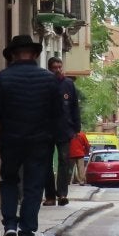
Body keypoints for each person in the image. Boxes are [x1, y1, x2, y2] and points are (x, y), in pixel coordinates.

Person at [0, 34, 65, 236]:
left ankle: (10, 224)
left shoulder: (3, 78)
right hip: (39, 142)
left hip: (11, 140)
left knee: (9, 180)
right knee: (33, 186)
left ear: (12, 55)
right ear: (36, 55)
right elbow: (59, 113)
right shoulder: (49, 80)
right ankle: (27, 235)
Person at [42, 56, 82, 206]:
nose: (58, 70)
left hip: (65, 130)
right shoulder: (44, 84)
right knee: (46, 163)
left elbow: (74, 107)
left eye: (60, 67)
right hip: (46, 130)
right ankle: (50, 196)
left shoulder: (68, 84)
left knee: (64, 161)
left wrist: (76, 128)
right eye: (54, 68)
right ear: (49, 69)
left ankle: (62, 194)